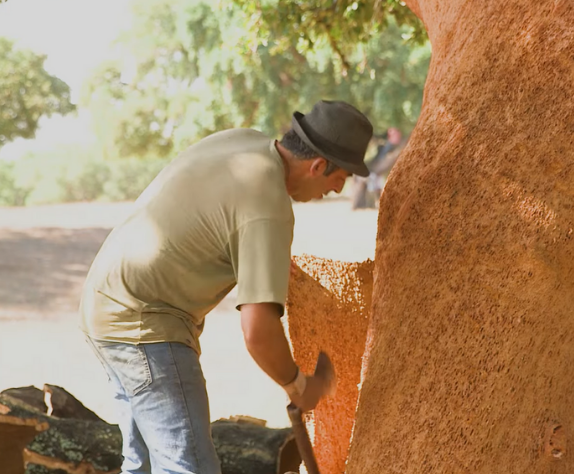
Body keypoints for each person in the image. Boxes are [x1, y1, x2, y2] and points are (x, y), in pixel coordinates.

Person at [79, 100, 373, 474]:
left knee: (144, 463)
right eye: (341, 177)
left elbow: (215, 220)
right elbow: (258, 332)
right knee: (188, 467)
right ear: (317, 165)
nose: (336, 189)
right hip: (146, 325)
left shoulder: (243, 142)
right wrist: (299, 385)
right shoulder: (269, 206)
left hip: (103, 303)